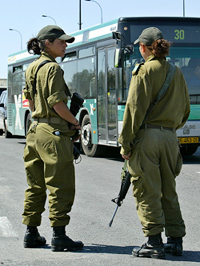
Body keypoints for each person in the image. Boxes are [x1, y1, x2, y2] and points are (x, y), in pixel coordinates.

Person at [118, 27, 190, 259]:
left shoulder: (143, 71)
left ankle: (154, 242)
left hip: (147, 137)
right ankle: (175, 241)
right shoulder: (176, 71)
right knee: (169, 189)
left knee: (148, 190)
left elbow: (133, 111)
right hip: (170, 137)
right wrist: (169, 129)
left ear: (143, 47)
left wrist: (125, 144)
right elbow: (186, 110)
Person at [22, 25, 84, 252]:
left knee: (35, 185)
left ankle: (31, 232)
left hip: (35, 130)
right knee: (60, 185)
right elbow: (57, 104)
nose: (65, 45)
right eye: (62, 42)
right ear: (47, 43)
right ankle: (59, 235)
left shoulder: (31, 68)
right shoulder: (53, 69)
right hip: (53, 134)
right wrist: (75, 123)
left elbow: (30, 101)